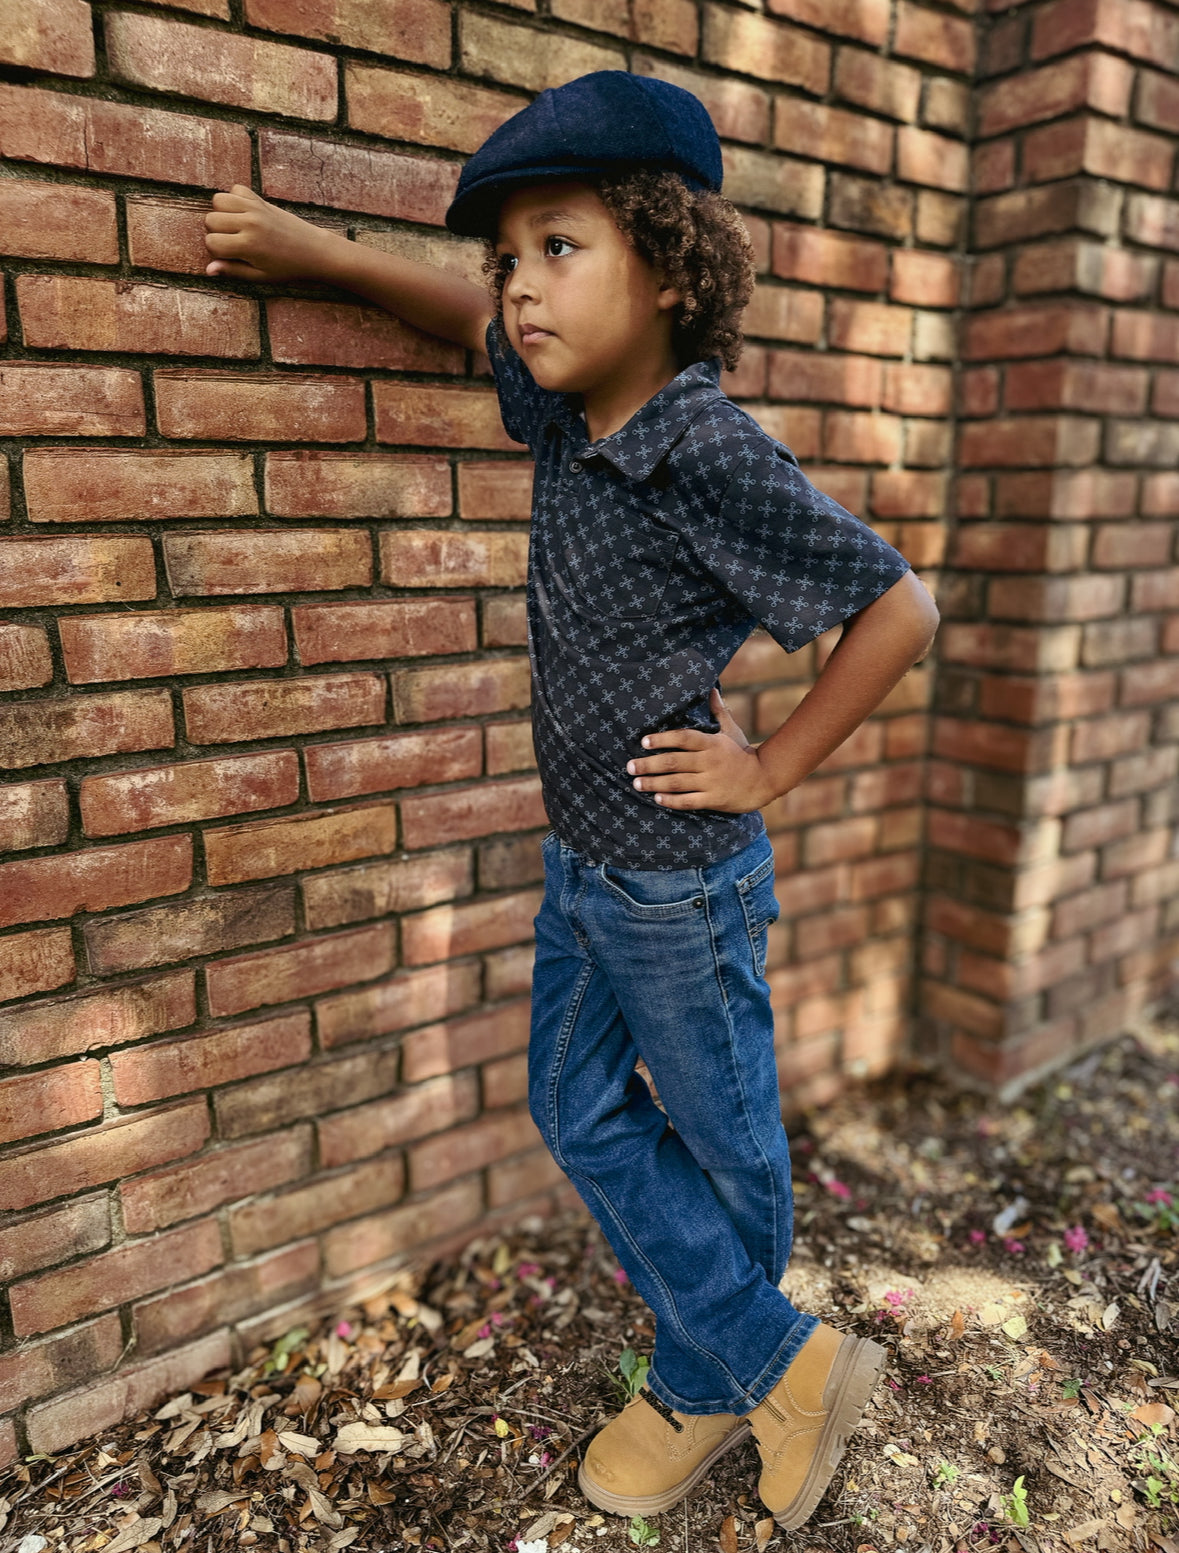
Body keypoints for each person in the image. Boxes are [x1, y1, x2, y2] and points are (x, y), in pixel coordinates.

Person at [204, 70, 939, 1532]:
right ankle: (781, 1366)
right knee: (573, 1103)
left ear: (668, 269)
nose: (520, 291)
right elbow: (463, 321)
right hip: (586, 861)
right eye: (509, 257)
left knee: (726, 1141)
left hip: (682, 879)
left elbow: (899, 607)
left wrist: (773, 764)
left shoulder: (703, 442)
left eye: (559, 248)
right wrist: (317, 255)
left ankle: (709, 1384)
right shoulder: (564, 416)